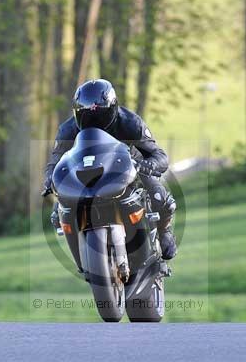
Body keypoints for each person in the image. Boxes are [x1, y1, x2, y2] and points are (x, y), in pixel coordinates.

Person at [42, 78, 177, 260]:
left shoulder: (130, 123)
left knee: (160, 198)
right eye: (87, 116)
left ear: (112, 109)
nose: (93, 121)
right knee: (58, 212)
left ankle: (164, 232)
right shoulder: (67, 130)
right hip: (86, 173)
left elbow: (159, 155)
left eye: (98, 116)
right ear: (77, 114)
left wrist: (148, 165)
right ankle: (81, 254)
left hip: (129, 167)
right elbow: (56, 161)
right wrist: (51, 178)